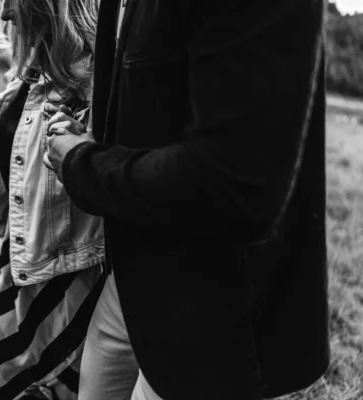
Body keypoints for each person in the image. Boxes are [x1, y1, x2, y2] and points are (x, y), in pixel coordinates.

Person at [44, 0, 330, 399]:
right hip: (131, 284)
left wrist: (82, 164)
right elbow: (160, 89)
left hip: (216, 313)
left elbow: (234, 185)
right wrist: (92, 132)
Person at [0, 0, 106, 399]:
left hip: (75, 279)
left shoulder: (99, 88)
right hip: (20, 270)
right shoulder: (28, 81)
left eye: (9, 3)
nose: (4, 16)